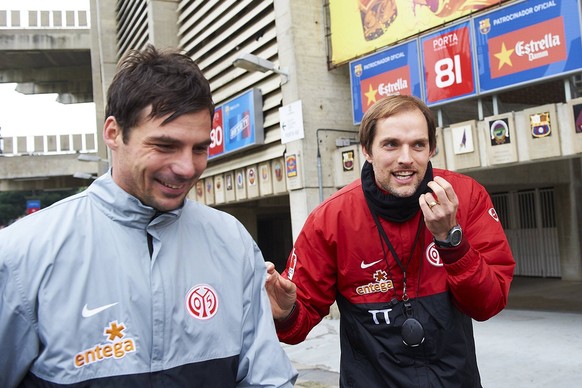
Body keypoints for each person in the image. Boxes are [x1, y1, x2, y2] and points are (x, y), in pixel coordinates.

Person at [0, 45, 297, 388]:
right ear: (113, 133)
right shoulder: (23, 253)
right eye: (165, 146)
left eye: (199, 148)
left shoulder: (233, 241)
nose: (187, 167)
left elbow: (267, 378)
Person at [266, 94, 515, 387]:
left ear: (432, 149)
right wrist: (284, 314)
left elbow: (488, 304)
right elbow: (297, 326)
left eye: (418, 145)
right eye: (391, 144)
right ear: (367, 151)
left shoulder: (466, 197)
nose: (406, 158)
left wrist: (451, 240)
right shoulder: (331, 218)